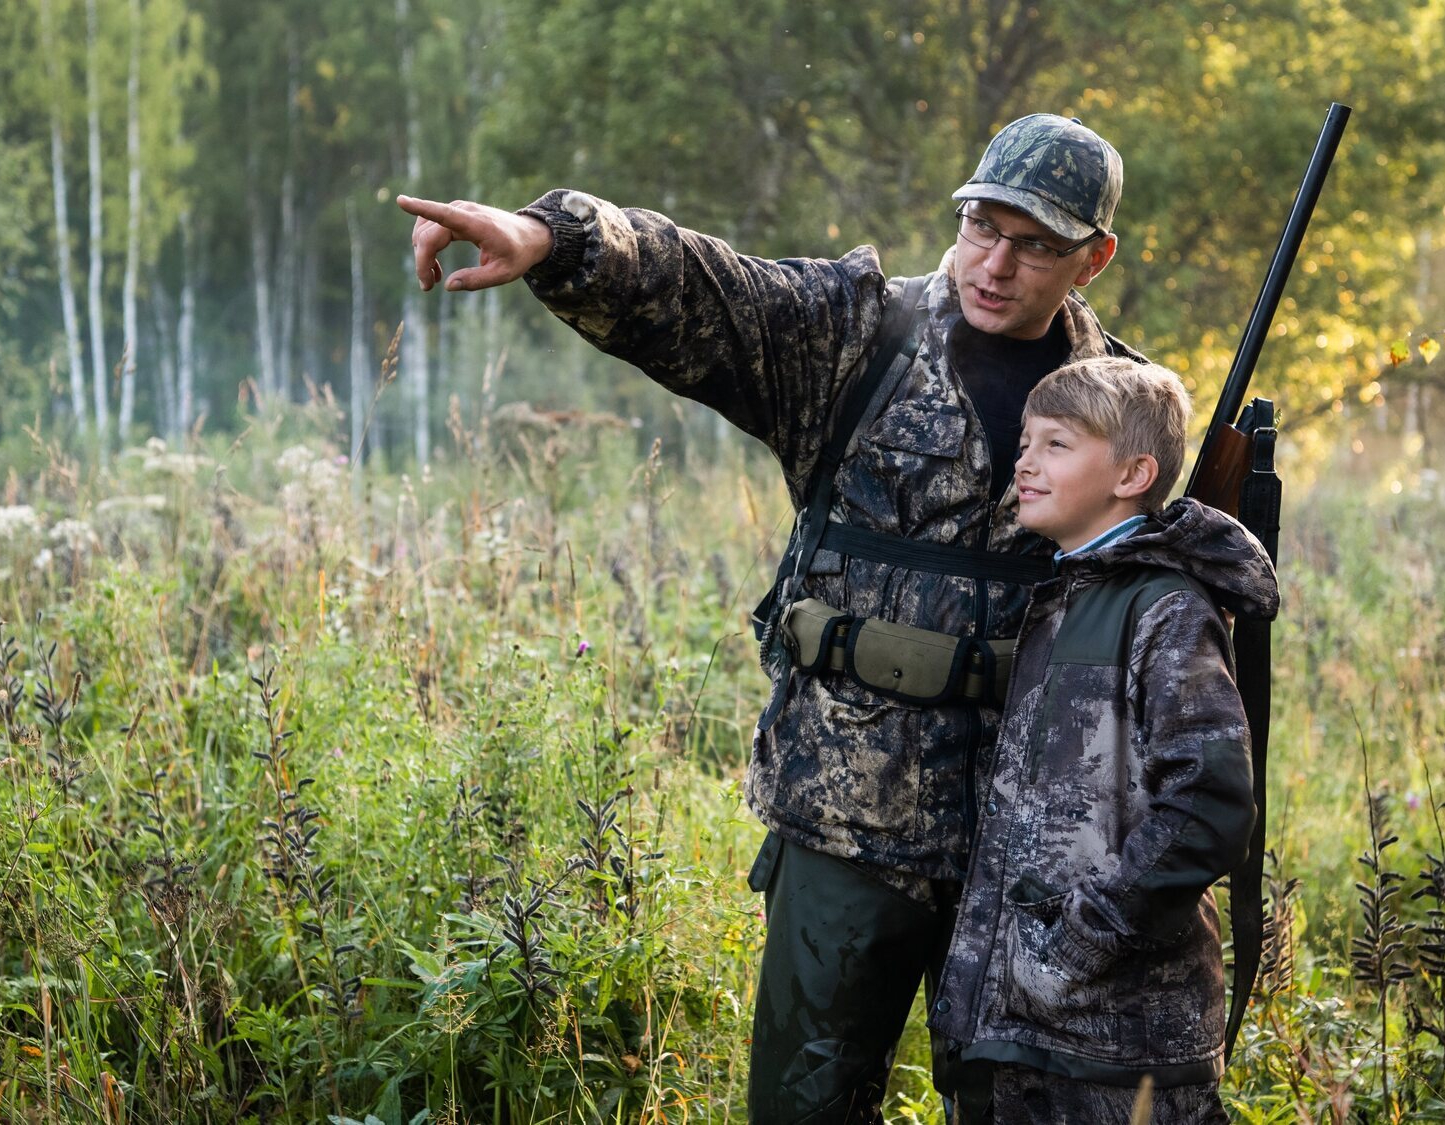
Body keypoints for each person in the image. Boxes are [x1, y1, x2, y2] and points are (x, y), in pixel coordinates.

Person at [400, 114, 1136, 1122]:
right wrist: (555, 240)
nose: (996, 264)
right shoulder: (856, 335)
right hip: (848, 822)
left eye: (1036, 244)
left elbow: (1172, 610)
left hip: (1037, 841)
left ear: (1092, 257)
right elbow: (702, 284)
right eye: (981, 226)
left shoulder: (1128, 413)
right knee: (806, 1107)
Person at [930, 356, 1280, 1123]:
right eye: (1025, 441)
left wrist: (1078, 943)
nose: (1025, 461)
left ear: (1133, 473)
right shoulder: (1059, 594)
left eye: (1056, 444)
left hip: (1115, 1047)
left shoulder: (1165, 611)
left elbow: (1209, 805)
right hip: (1025, 1034)